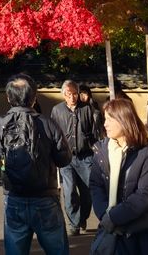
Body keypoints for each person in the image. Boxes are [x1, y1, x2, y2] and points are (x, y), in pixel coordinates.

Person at [0, 73, 71, 255]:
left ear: (8, 98)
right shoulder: (48, 124)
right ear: (34, 98)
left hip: (14, 196)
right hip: (46, 196)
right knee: (57, 249)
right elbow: (64, 159)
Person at [90, 98, 148, 254]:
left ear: (123, 120)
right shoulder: (101, 151)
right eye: (104, 119)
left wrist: (114, 217)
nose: (104, 124)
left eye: (109, 119)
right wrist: (104, 216)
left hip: (143, 232)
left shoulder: (145, 153)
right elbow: (96, 185)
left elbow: (145, 195)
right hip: (114, 233)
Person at [50, 79, 103, 236]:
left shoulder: (87, 109)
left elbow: (95, 133)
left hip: (86, 156)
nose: (72, 97)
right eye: (68, 94)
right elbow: (54, 135)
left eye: (75, 93)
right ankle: (74, 223)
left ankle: (83, 217)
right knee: (69, 190)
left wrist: (97, 153)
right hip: (66, 158)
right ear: (63, 95)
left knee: (88, 191)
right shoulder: (57, 110)